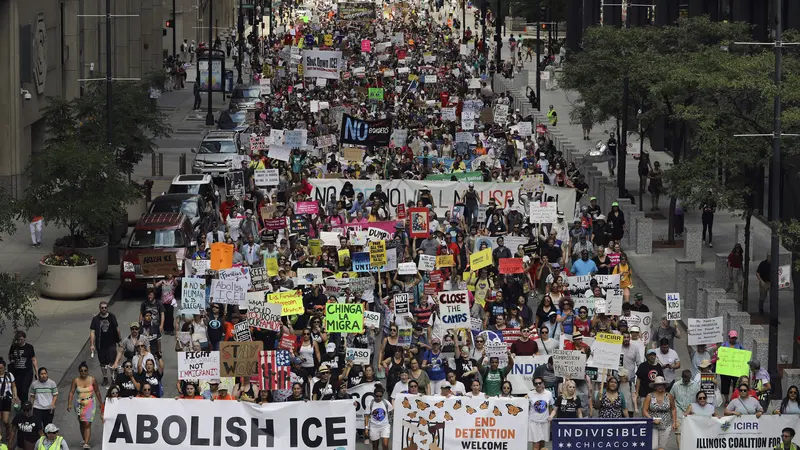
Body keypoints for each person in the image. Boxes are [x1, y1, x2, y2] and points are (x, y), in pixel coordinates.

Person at [66, 362, 102, 449]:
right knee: (82, 423)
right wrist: (69, 404)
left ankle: (86, 443)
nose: (83, 372)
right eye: (81, 371)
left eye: (85, 370)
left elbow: (97, 391)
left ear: (87, 371)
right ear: (79, 371)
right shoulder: (76, 380)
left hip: (90, 403)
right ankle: (84, 438)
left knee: (87, 423)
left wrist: (101, 403)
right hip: (79, 404)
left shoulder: (92, 379)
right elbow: (71, 392)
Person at [88, 301, 120, 386]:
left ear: (107, 308)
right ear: (99, 308)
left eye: (105, 307)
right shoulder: (96, 319)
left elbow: (117, 329)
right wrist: (92, 344)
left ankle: (113, 378)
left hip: (111, 344)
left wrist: (119, 341)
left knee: (112, 362)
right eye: (102, 308)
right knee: (103, 363)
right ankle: (105, 377)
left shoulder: (112, 317)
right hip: (100, 345)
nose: (104, 309)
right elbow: (92, 332)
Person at [642, 376, 677, 450]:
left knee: (662, 447)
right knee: (653, 446)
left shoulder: (669, 396)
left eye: (662, 385)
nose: (660, 387)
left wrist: (674, 422)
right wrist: (652, 419)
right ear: (655, 386)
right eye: (658, 385)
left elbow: (673, 408)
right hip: (653, 425)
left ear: (664, 386)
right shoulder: (649, 396)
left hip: (666, 424)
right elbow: (644, 410)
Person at [526, 376, 553, 450]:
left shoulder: (549, 394)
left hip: (545, 422)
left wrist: (551, 419)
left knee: (542, 444)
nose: (538, 385)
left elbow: (550, 407)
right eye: (536, 383)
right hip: (534, 422)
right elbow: (524, 407)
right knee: (536, 444)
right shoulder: (530, 394)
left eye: (539, 383)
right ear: (534, 385)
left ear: (543, 383)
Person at [365, 386, 392, 450]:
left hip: (385, 426)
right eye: (377, 396)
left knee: (385, 445)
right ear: (374, 395)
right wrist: (366, 428)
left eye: (380, 396)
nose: (379, 398)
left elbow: (393, 411)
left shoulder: (386, 402)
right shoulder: (370, 403)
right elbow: (367, 416)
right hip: (374, 427)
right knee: (375, 446)